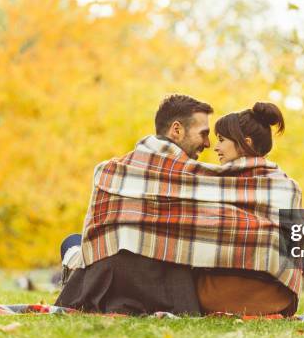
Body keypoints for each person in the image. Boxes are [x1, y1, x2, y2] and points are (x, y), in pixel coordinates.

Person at [55, 94, 213, 315]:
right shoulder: (200, 178)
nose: (208, 143)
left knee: (72, 242)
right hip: (171, 295)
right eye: (204, 134)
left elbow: (93, 240)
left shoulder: (107, 170)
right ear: (176, 130)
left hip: (105, 287)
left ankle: (69, 279)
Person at [196, 102, 298, 315]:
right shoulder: (288, 187)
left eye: (222, 140)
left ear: (245, 143)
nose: (215, 147)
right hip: (277, 299)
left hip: (211, 298)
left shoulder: (212, 183)